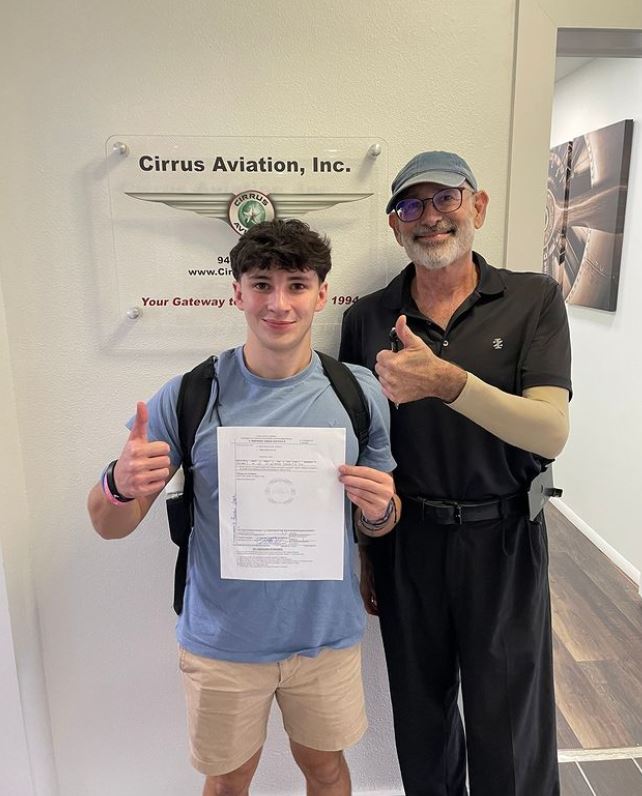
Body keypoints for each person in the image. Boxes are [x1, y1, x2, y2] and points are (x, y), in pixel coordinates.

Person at [88, 219, 400, 796]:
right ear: (237, 292)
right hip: (223, 643)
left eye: (296, 285)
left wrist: (381, 511)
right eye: (261, 284)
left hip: (324, 638)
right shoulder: (189, 394)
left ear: (321, 294)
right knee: (229, 781)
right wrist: (118, 484)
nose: (279, 304)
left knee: (326, 771)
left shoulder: (359, 394)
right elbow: (108, 524)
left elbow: (379, 517)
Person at [339, 151, 571, 796]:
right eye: (411, 205)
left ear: (478, 206)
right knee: (422, 719)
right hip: (407, 542)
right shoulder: (367, 318)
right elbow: (362, 447)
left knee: (510, 724)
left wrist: (450, 384)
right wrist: (365, 547)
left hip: (504, 536)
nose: (431, 217)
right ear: (395, 225)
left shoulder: (532, 299)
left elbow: (550, 431)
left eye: (446, 198)